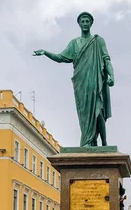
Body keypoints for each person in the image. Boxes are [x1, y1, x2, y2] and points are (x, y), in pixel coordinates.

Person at [34, 11, 114, 147]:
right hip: (80, 83)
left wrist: (111, 75)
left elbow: (106, 60)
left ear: (91, 23)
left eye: (87, 21)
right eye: (82, 21)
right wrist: (45, 53)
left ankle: (104, 143)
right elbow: (61, 58)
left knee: (98, 111)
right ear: (79, 24)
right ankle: (88, 142)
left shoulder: (98, 41)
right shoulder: (74, 43)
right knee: (84, 114)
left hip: (95, 81)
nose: (84, 23)